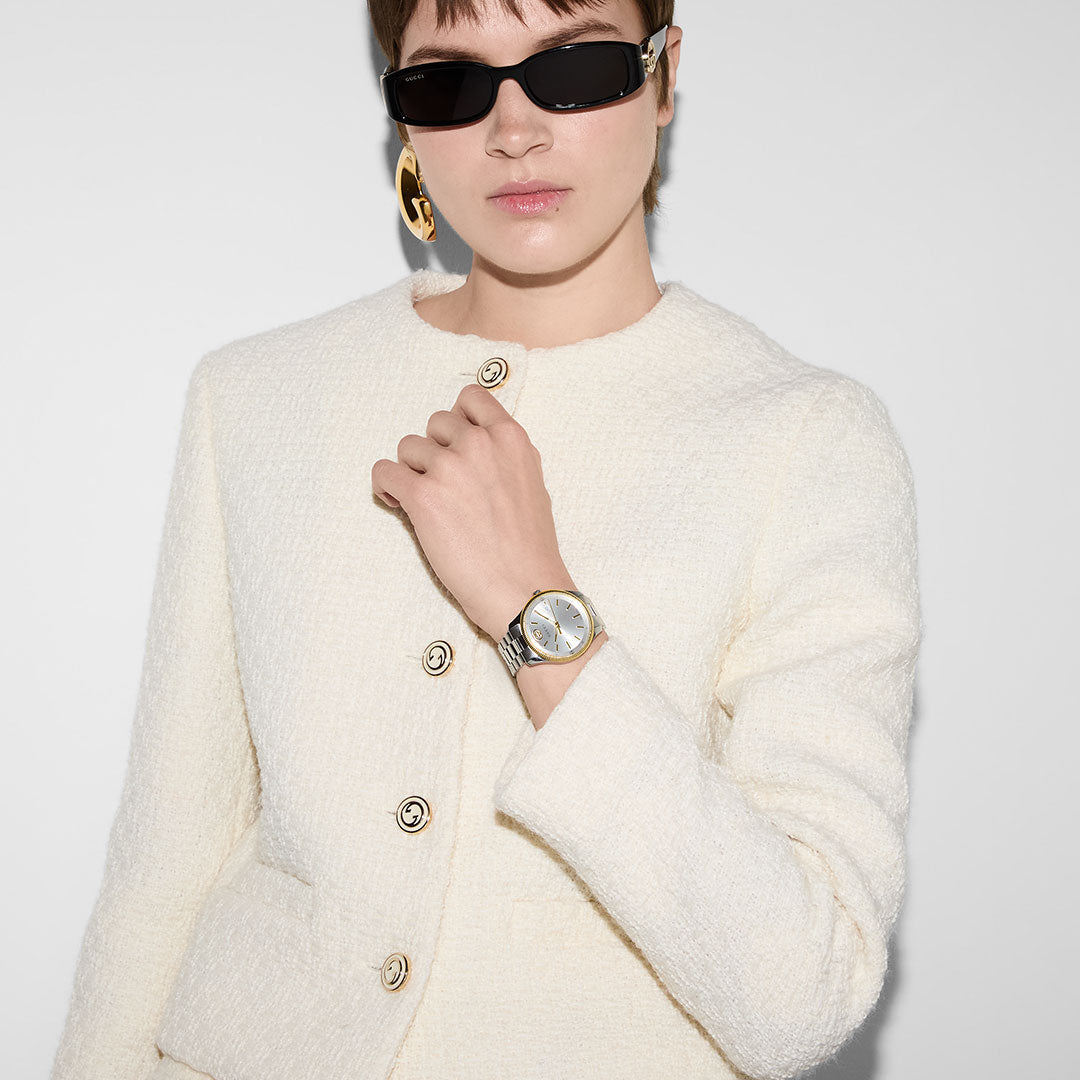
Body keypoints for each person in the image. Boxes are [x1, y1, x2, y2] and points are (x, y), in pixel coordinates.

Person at [50, 2, 923, 1079]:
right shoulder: (256, 398)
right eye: (449, 84)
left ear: (663, 73)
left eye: (576, 69)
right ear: (403, 119)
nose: (513, 127)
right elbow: (163, 866)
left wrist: (535, 609)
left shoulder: (803, 439)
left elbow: (802, 992)